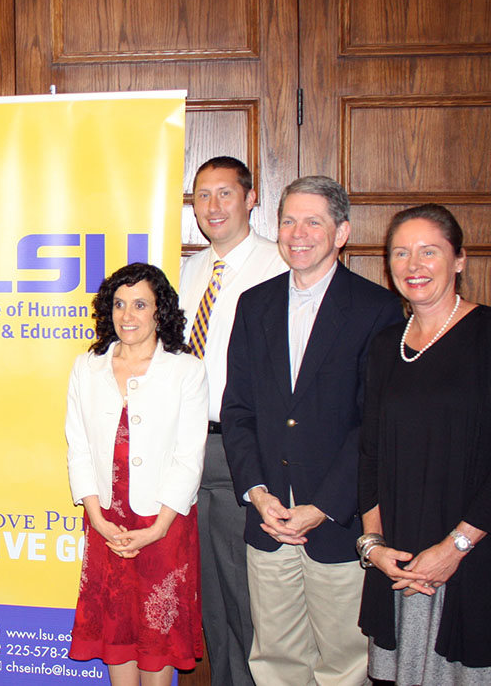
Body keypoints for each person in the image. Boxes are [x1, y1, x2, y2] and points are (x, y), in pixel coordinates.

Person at [221, 176, 402, 685]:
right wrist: (257, 495)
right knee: (276, 661)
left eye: (313, 222)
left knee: (344, 664)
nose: (297, 233)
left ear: (341, 232)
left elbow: (373, 424)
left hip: (337, 524)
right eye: (287, 221)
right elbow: (238, 411)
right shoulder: (254, 305)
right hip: (269, 521)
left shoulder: (377, 309)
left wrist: (321, 507)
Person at [357, 204, 491, 683]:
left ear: (459, 260)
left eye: (428, 251)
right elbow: (369, 452)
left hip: (471, 558)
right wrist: (373, 546)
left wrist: (454, 548)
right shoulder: (385, 344)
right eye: (400, 253)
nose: (413, 266)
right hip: (398, 562)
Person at [66, 263, 207, 685]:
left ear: (159, 312)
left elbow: (189, 455)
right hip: (107, 520)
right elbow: (78, 447)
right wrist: (97, 519)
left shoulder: (186, 370)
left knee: (157, 635)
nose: (128, 316)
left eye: (140, 305)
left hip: (163, 524)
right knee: (117, 630)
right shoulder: (86, 367)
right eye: (119, 304)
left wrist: (158, 528)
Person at [179, 156, 286, 686]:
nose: (213, 206)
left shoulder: (279, 265)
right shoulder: (188, 271)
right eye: (202, 195)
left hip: (240, 448)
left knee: (247, 589)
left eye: (225, 193)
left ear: (250, 198)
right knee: (206, 589)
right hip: (184, 448)